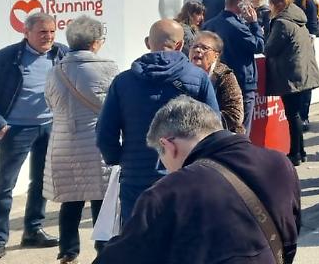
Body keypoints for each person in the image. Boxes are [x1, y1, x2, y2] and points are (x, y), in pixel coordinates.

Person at [94, 96, 301, 264]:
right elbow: (289, 237)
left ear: (168, 145)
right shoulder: (279, 163)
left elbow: (122, 256)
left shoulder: (168, 193)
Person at [97, 19, 219, 224]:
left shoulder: (123, 82)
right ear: (180, 45)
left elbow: (105, 133)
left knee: (138, 237)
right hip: (185, 173)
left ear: (148, 42)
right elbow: (214, 129)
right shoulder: (198, 78)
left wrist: (120, 158)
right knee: (183, 236)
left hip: (136, 176)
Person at [43, 16, 116, 264]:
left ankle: (68, 251)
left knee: (70, 200)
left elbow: (50, 104)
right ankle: (104, 251)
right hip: (97, 143)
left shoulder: (55, 70)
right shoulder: (107, 67)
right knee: (101, 200)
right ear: (95, 42)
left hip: (63, 143)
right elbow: (113, 106)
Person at [0, 12, 68, 258]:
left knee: (41, 182)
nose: (48, 37)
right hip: (14, 130)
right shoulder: (6, 57)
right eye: (42, 32)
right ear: (26, 33)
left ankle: (33, 231)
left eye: (52, 31)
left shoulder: (61, 53)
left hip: (49, 127)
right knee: (5, 185)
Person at [263, 0, 319, 166]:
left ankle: (295, 153)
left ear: (277, 5)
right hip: (301, 72)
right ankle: (300, 151)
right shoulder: (297, 19)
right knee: (296, 114)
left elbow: (270, 49)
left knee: (293, 115)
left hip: (290, 74)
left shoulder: (282, 23)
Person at [202, 0, 264, 136]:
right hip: (241, 82)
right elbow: (259, 46)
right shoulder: (237, 26)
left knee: (220, 128)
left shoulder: (210, 24)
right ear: (241, 3)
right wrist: (254, 24)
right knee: (241, 130)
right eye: (248, 2)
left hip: (216, 80)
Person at [279, 0, 319, 133]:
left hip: (304, 50)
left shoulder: (307, 1)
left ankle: (304, 116)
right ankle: (295, 116)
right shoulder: (283, 0)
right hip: (288, 52)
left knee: (305, 84)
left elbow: (313, 28)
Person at [187, 32, 245, 134]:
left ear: (216, 55)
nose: (198, 50)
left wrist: (198, 122)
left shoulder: (224, 75)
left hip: (221, 135)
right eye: (194, 46)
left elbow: (235, 115)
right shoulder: (182, 73)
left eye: (204, 48)